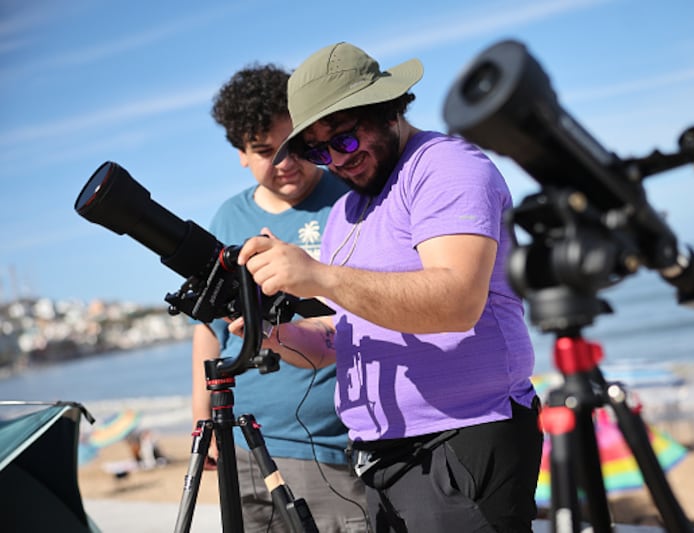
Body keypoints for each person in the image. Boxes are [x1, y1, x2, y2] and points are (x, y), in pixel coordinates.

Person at [230, 43, 544, 532]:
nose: (336, 160)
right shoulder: (346, 211)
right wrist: (274, 336)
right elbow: (345, 331)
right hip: (380, 455)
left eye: (345, 140)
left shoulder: (445, 167)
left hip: (458, 438)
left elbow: (456, 301)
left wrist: (316, 274)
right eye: (317, 149)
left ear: (390, 110)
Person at [191, 63, 367, 533]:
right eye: (265, 152)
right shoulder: (228, 218)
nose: (285, 162)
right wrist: (200, 419)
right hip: (241, 441)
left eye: (293, 146)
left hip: (329, 446)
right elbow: (207, 333)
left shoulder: (349, 196)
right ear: (241, 155)